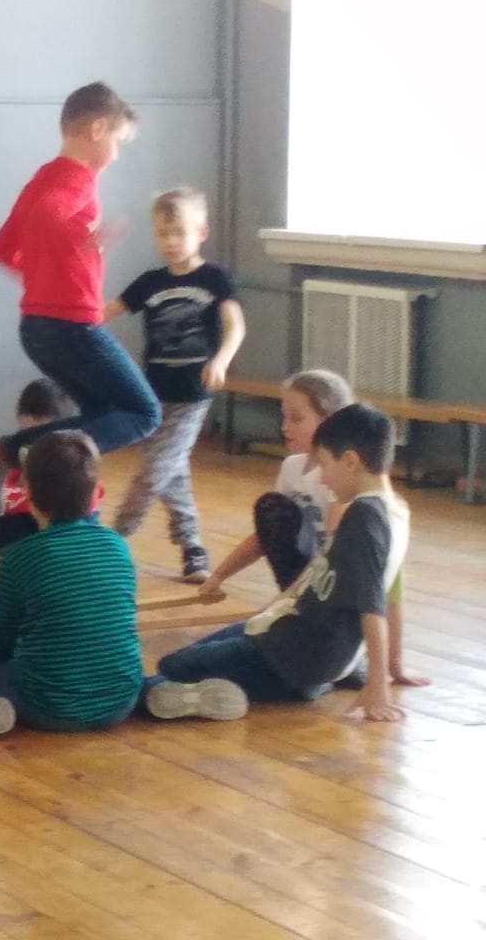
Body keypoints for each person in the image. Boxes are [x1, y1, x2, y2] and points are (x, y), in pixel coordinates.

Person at [0, 432, 223, 745]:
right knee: (116, 672)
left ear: (27, 492)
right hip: (120, 703)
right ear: (95, 493)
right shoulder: (118, 547)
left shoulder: (19, 556)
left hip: (45, 707)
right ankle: (157, 690)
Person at [147, 403, 429, 723]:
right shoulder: (397, 510)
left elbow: (373, 603)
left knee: (172, 667)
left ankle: (293, 687)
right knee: (233, 638)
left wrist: (378, 683)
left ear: (350, 461)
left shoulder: (364, 515)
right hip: (297, 640)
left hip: (295, 656)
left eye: (324, 465)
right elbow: (393, 594)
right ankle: (313, 683)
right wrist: (393, 664)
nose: (323, 479)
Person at [0, 82, 160, 504]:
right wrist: (78, 238)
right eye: (118, 141)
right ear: (97, 129)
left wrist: (46, 273)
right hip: (70, 326)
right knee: (144, 412)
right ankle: (11, 454)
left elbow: (2, 249)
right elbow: (51, 215)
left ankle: (42, 480)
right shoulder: (78, 179)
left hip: (37, 326)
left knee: (101, 416)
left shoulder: (41, 178)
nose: (116, 154)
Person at [105, 187, 247, 583]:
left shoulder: (214, 279)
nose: (170, 241)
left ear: (200, 232)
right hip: (152, 395)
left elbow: (235, 325)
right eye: (162, 233)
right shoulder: (150, 282)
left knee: (154, 471)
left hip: (192, 395)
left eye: (179, 232)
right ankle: (192, 547)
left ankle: (113, 539)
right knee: (173, 469)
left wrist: (221, 360)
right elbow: (104, 312)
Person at [199, 369, 352, 596]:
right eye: (284, 417)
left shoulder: (338, 475)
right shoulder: (291, 467)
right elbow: (266, 536)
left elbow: (337, 549)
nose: (285, 427)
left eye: (296, 419)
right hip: (300, 580)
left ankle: (302, 600)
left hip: (331, 582)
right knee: (270, 506)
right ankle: (294, 596)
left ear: (329, 422)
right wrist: (219, 576)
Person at [0, 378, 77, 552]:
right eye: (26, 433)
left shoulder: (71, 462)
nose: (31, 440)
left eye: (40, 435)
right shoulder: (10, 452)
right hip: (15, 527)